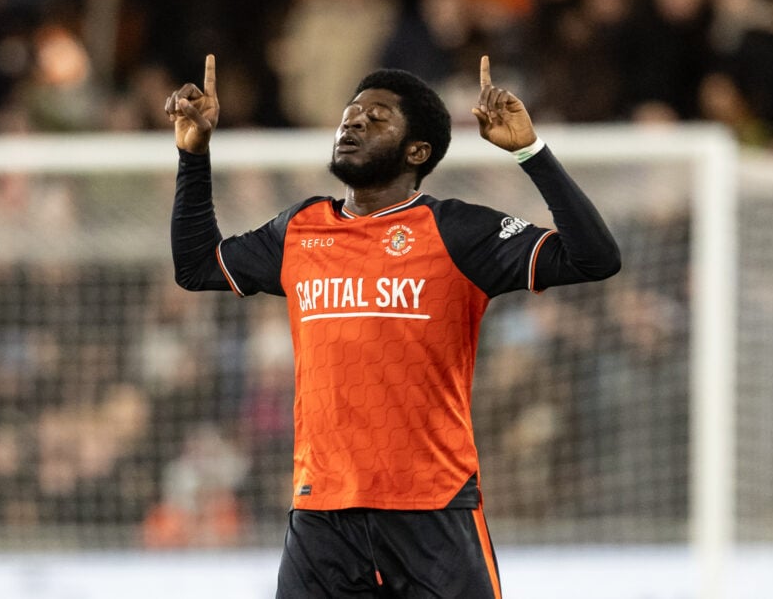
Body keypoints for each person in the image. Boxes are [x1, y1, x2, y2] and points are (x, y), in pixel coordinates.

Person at [166, 53, 620, 598]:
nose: (353, 122)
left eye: (376, 117)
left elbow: (594, 257)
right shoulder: (300, 230)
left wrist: (530, 152)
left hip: (432, 512)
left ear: (417, 151)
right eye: (349, 114)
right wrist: (193, 156)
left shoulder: (456, 231)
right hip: (322, 516)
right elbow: (196, 267)